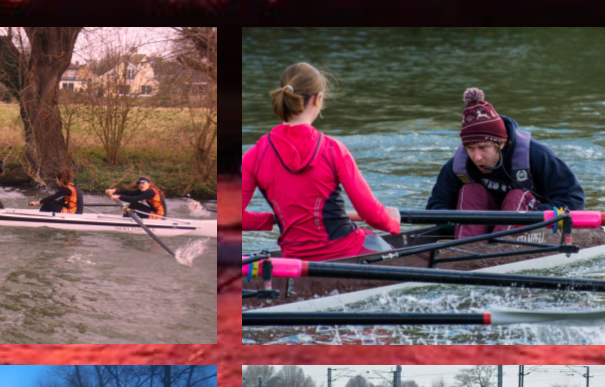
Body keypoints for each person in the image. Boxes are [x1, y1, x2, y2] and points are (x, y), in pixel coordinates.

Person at [242, 62, 401, 262]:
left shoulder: (253, 156)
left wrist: (276, 218)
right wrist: (393, 223)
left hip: (295, 260)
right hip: (346, 250)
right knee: (389, 246)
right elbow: (371, 214)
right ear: (318, 99)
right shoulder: (333, 150)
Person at [427, 88, 585, 241]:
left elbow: (573, 198)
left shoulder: (537, 156)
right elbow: (436, 205)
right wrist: (458, 222)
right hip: (479, 226)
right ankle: (468, 247)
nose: (477, 157)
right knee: (471, 190)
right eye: (470, 148)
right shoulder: (459, 166)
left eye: (483, 148)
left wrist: (536, 217)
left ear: (502, 143)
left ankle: (499, 245)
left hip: (527, 222)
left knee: (516, 196)